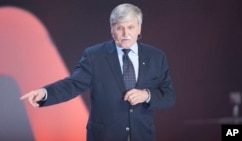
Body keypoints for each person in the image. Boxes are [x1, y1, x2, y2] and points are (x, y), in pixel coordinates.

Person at [20, 3, 176, 141]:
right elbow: (73, 84)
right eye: (119, 27)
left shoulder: (155, 56)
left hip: (142, 135)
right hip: (105, 135)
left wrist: (146, 95)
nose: (125, 33)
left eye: (130, 27)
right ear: (111, 29)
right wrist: (45, 92)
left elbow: (168, 96)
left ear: (139, 28)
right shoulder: (95, 55)